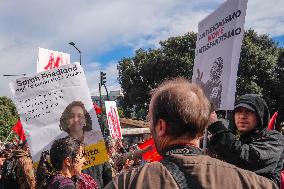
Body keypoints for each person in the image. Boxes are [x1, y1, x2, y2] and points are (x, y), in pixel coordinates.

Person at [105, 78, 278, 189]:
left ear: (161, 126)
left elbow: (248, 157)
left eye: (150, 120)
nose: (242, 116)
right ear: (203, 127)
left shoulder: (128, 183)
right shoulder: (257, 184)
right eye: (238, 111)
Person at [207, 94, 284, 187]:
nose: (242, 116)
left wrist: (216, 128)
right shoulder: (234, 139)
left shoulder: (274, 138)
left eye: (249, 111)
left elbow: (249, 159)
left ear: (260, 116)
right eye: (238, 111)